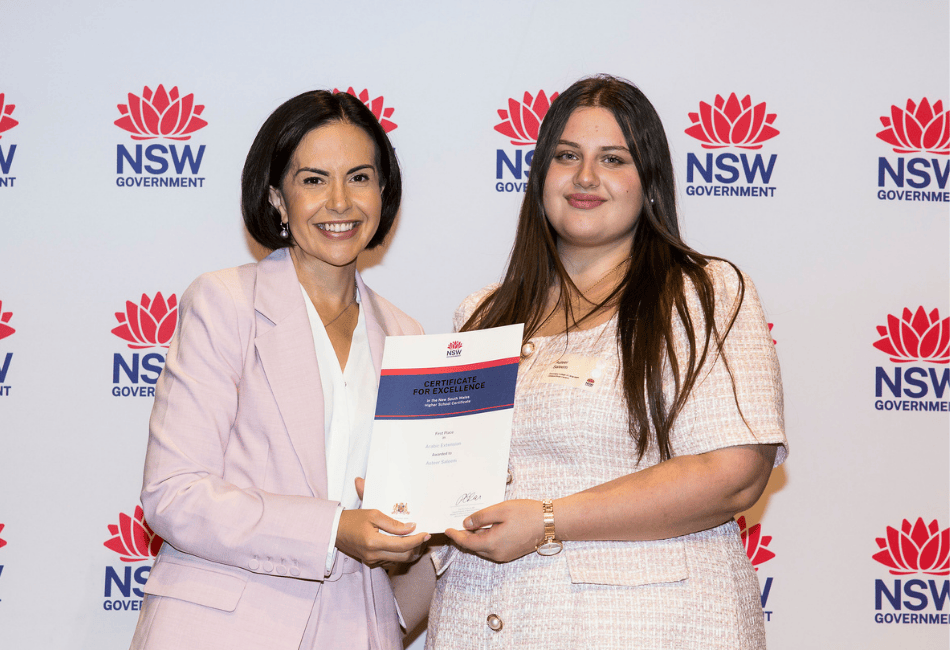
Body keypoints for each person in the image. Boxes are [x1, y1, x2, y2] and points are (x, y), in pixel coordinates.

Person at [425, 75, 787, 649]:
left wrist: (548, 520)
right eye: (566, 156)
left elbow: (733, 474)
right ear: (541, 173)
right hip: (485, 623)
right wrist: (406, 510)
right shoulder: (484, 314)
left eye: (612, 159)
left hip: (653, 628)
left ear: (649, 182)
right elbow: (448, 479)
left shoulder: (705, 293)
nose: (585, 177)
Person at [130, 90, 430, 650]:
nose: (340, 202)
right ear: (276, 198)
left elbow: (416, 508)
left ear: (383, 192)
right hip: (225, 627)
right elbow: (174, 494)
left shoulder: (408, 336)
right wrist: (332, 529)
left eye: (360, 177)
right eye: (314, 180)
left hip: (358, 626)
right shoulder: (224, 303)